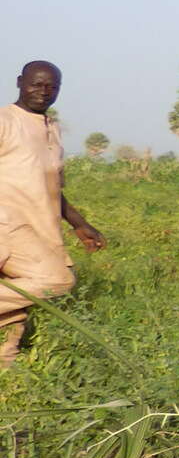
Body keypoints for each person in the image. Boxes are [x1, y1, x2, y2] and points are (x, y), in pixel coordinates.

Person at [0, 61, 106, 367]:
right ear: (20, 82)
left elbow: (51, 188)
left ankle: (8, 383)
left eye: (51, 87)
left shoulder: (52, 129)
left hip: (40, 227)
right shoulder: (5, 120)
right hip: (9, 224)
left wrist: (80, 224)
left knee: (13, 312)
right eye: (36, 84)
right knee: (55, 280)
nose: (43, 92)